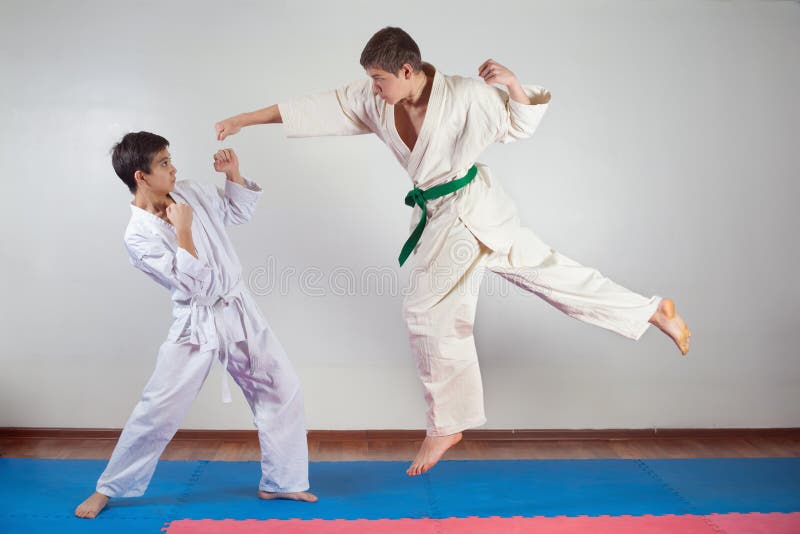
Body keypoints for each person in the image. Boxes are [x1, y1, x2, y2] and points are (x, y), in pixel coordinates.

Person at [214, 27, 691, 477]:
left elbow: (518, 126)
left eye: (379, 79)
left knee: (427, 310)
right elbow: (320, 107)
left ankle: (446, 423)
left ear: (406, 71)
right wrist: (244, 119)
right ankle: (652, 311)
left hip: (464, 211)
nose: (373, 89)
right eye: (370, 81)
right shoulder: (374, 100)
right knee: (551, 272)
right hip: (458, 212)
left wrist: (514, 85)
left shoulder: (465, 95)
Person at [75, 132, 317, 519]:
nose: (174, 169)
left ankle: (281, 482)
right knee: (159, 409)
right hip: (197, 322)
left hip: (239, 310)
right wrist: (183, 229)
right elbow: (193, 283)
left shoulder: (191, 193)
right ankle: (108, 489)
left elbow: (237, 213)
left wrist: (233, 174)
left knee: (282, 387)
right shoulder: (138, 235)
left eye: (171, 160)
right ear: (141, 176)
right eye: (165, 164)